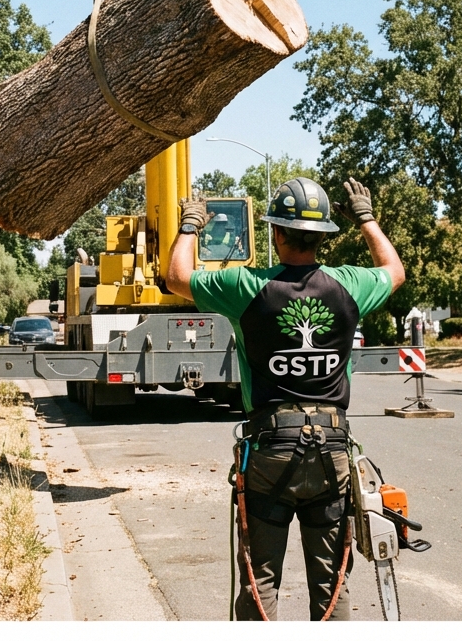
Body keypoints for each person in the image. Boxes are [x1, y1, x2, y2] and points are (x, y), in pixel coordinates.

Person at [168, 176, 404, 621]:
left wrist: (191, 225)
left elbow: (176, 277)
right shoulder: (348, 285)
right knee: (332, 583)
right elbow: (395, 271)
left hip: (270, 451)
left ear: (276, 234)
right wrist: (368, 220)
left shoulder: (246, 286)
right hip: (332, 450)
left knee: (260, 582)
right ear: (322, 236)